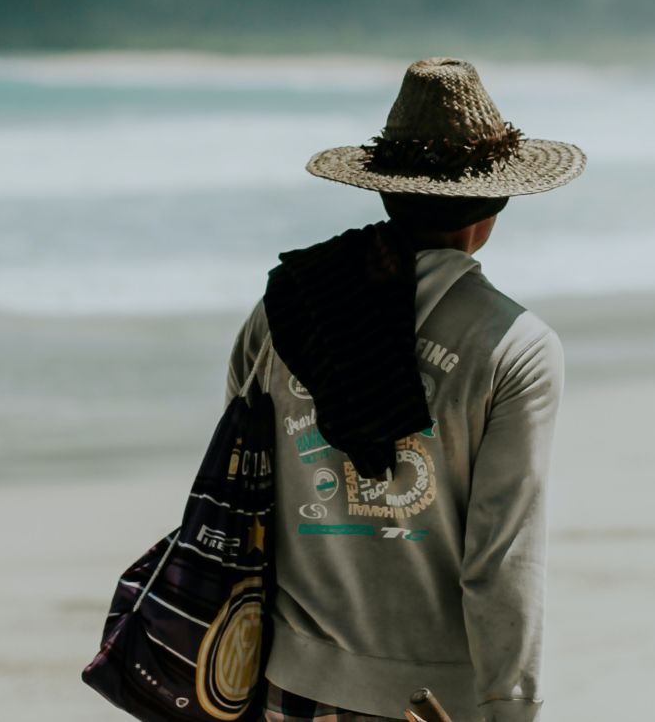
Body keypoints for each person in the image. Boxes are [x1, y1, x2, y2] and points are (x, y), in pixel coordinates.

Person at [224, 57, 586, 722]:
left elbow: (243, 487)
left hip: (286, 686)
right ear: (493, 206)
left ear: (385, 191)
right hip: (433, 704)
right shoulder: (517, 347)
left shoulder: (281, 310)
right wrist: (510, 707)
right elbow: (502, 556)